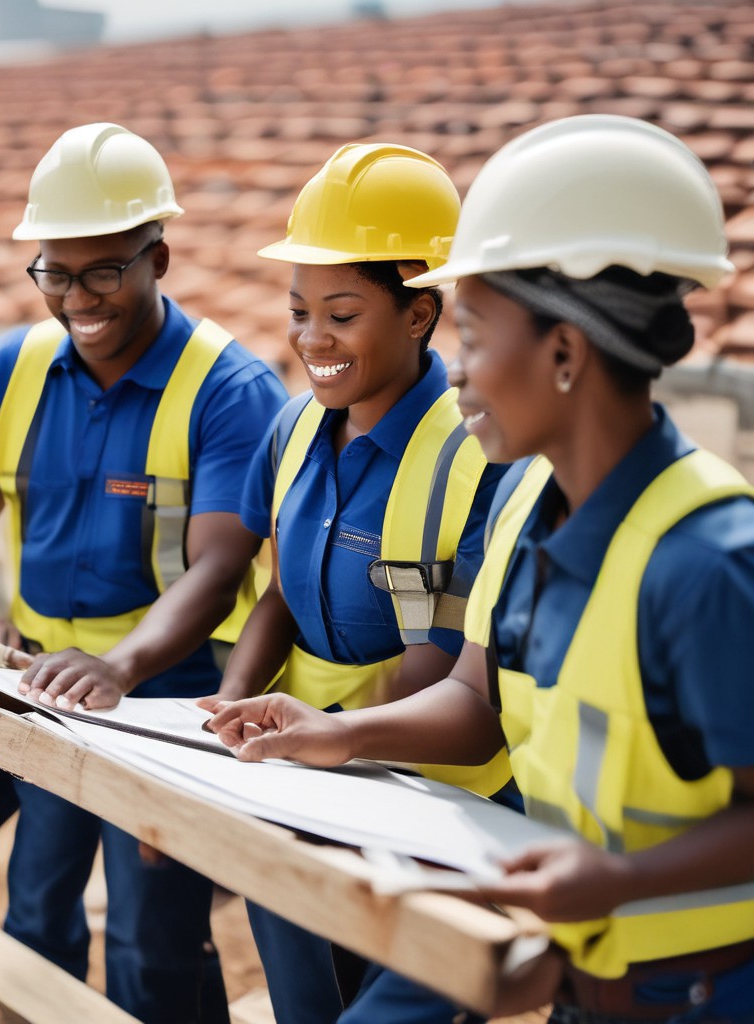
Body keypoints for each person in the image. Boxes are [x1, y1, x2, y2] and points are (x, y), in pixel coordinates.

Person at [200, 114, 754, 1024]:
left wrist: (622, 878)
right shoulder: (525, 510)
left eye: (478, 337)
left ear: (566, 354)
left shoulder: (704, 562)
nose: (456, 376)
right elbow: (474, 702)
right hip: (584, 973)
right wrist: (332, 733)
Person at [0, 122, 288, 1024]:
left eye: (103, 272)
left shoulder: (227, 390)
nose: (76, 296)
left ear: (158, 258)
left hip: (167, 692)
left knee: (149, 934)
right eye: (55, 272)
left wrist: (121, 669)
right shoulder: (8, 370)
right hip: (29, 670)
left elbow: (219, 567)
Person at [213, 142, 508, 1024]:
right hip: (308, 766)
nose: (311, 340)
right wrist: (228, 709)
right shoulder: (295, 429)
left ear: (420, 313)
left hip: (434, 795)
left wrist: (324, 751)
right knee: (306, 991)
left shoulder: (474, 456)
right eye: (300, 310)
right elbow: (276, 596)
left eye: (342, 313)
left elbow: (441, 670)